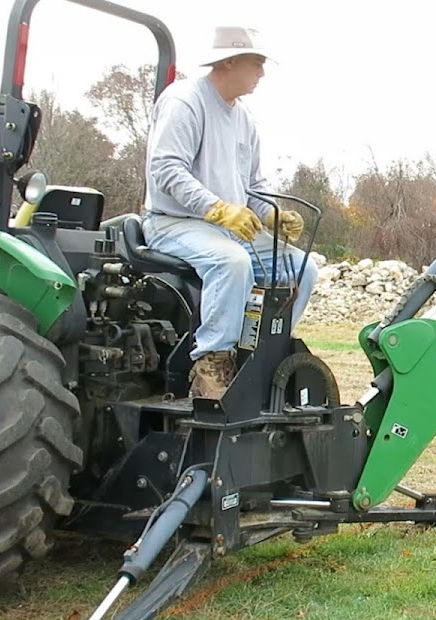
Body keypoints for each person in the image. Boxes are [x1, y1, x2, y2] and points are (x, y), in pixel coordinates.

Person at [141, 26, 318, 399]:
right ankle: (211, 366)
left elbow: (252, 185)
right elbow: (167, 169)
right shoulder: (185, 102)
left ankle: (262, 354)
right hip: (173, 222)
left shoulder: (244, 120)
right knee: (232, 262)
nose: (262, 73)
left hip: (225, 228)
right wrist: (217, 209)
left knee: (302, 267)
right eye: (257, 63)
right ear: (230, 61)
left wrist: (272, 215)